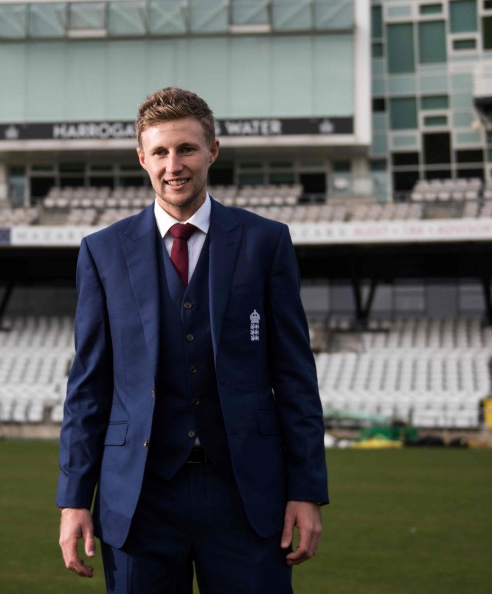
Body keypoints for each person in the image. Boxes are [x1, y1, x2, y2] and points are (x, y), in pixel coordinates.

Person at [57, 87, 329, 593]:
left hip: (246, 497)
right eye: (160, 152)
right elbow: (89, 387)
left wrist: (307, 490)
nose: (173, 164)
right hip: (138, 500)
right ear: (142, 158)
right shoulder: (102, 252)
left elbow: (294, 377)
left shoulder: (266, 242)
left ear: (213, 151)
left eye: (186, 149)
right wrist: (74, 499)